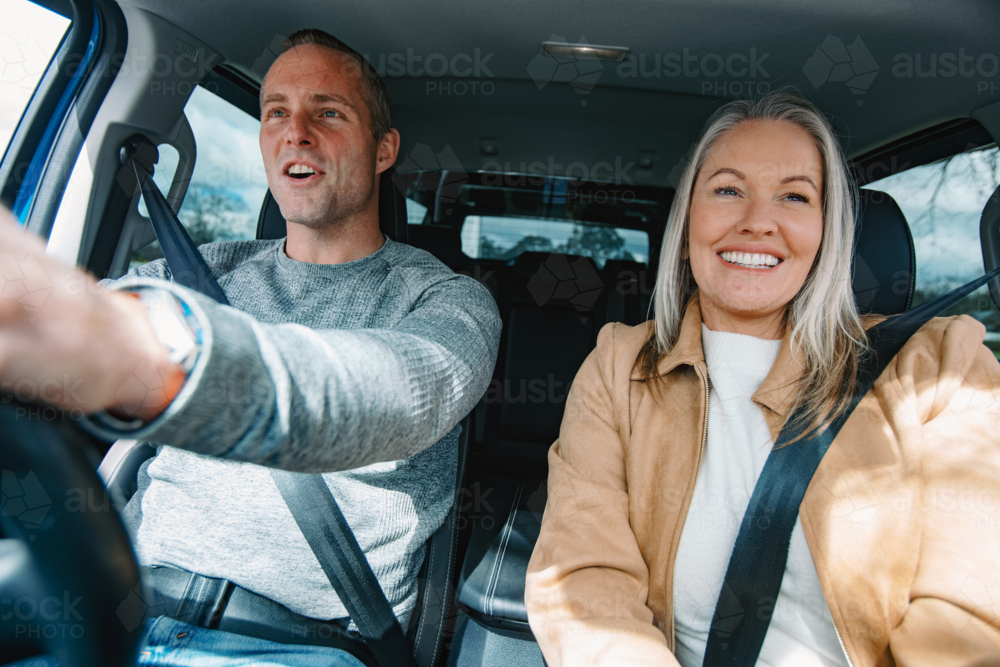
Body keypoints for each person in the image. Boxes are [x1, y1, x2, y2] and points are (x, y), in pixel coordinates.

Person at [1, 29, 500, 666]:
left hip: (299, 647)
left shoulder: (448, 302)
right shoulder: (202, 270)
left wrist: (138, 351)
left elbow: (398, 396)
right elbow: (89, 311)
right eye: (275, 113)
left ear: (383, 150)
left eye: (328, 112)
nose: (295, 132)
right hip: (117, 613)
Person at [524, 92, 1000, 666]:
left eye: (794, 197)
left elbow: (968, 612)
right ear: (688, 217)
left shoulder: (940, 367)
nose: (757, 223)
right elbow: (585, 581)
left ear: (828, 229)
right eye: (728, 190)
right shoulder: (620, 367)